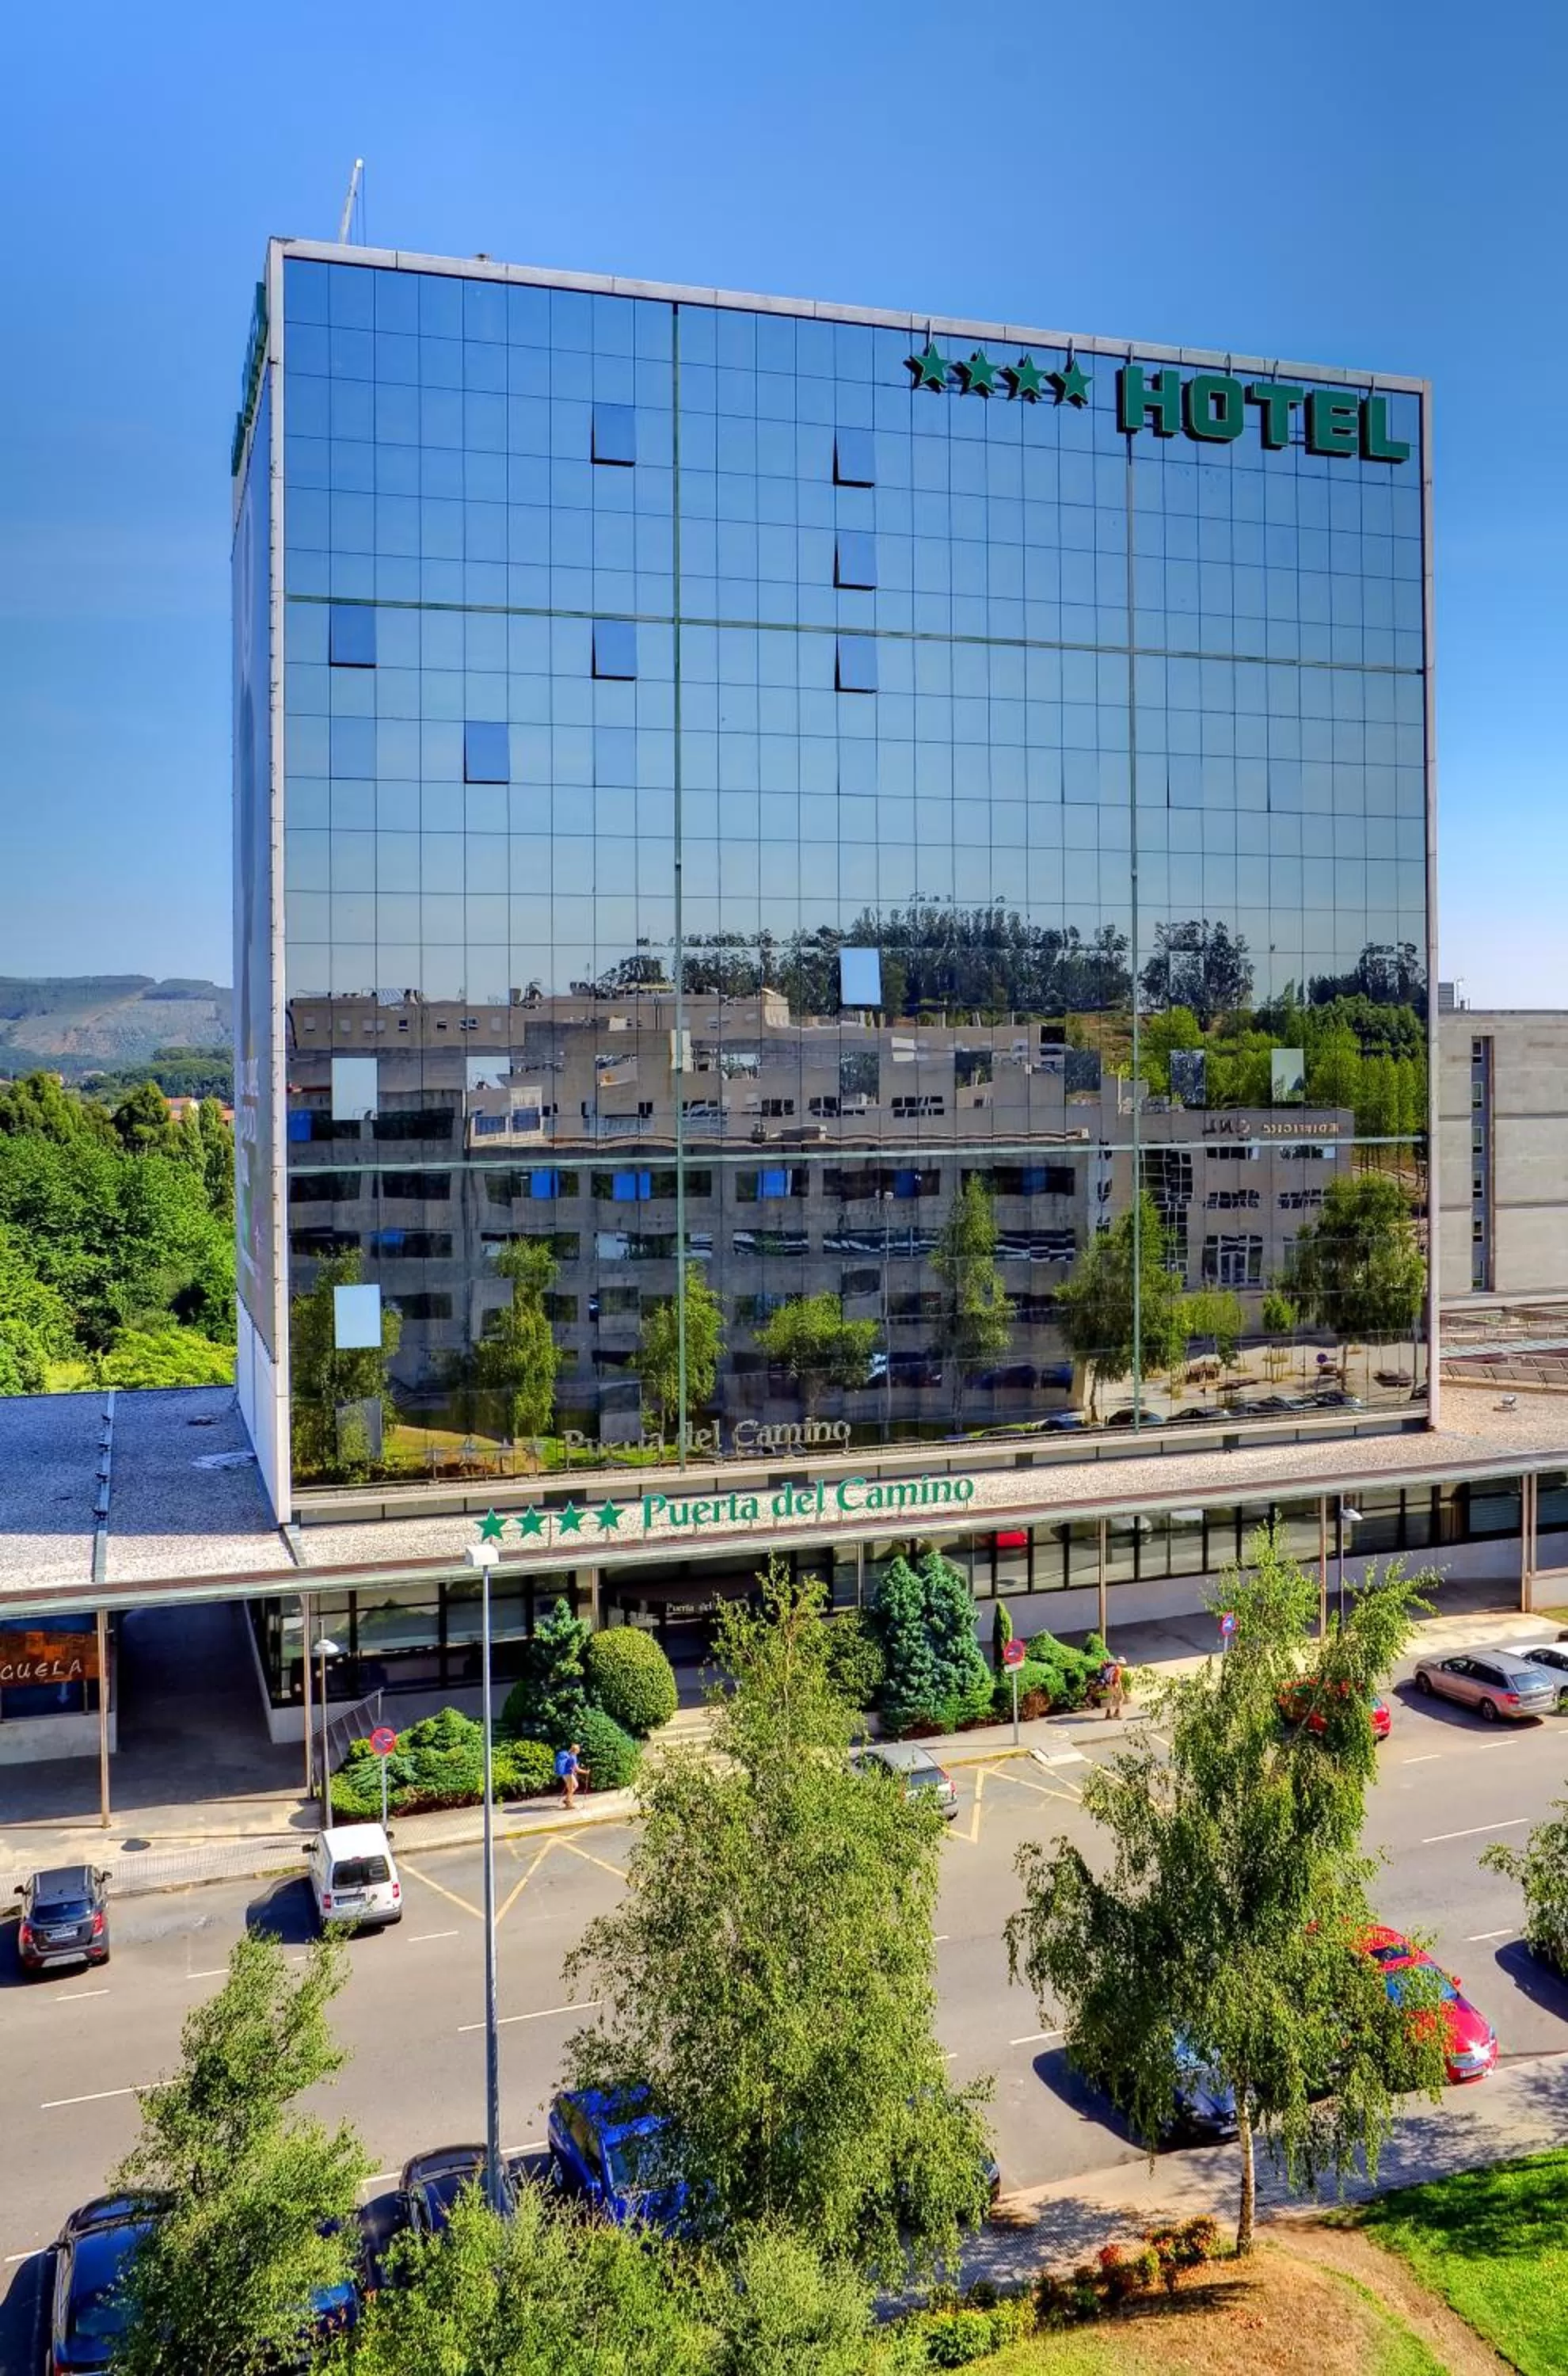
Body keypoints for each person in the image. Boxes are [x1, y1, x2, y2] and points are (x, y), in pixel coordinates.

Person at [555, 1740, 584, 1811]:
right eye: (579, 1749)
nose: (580, 1750)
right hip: (568, 1774)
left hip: (566, 1774)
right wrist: (586, 1772)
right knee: (571, 1789)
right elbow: (577, 1769)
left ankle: (567, 1799)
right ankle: (569, 1804)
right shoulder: (573, 1757)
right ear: (576, 1750)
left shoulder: (571, 1755)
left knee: (575, 1786)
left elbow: (571, 1767)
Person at [1099, 1654, 1125, 1720]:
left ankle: (1108, 1713)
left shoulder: (1111, 1667)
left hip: (1107, 1684)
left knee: (1110, 1697)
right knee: (1121, 1697)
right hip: (1113, 1685)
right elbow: (1117, 1680)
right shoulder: (1118, 1669)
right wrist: (1119, 1688)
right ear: (1121, 1663)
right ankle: (1117, 1713)